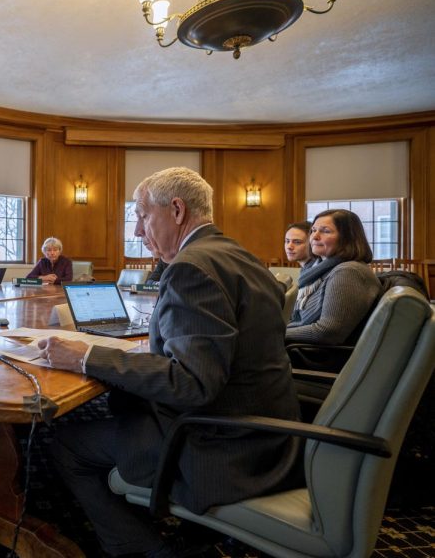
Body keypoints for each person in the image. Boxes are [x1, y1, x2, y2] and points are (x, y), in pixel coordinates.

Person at [38, 167, 301, 558]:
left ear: (176, 210)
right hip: (266, 431)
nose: (137, 232)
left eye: (143, 216)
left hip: (220, 446)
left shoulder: (191, 268)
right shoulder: (238, 254)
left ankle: (143, 548)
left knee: (62, 444)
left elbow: (192, 384)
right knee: (119, 403)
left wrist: (87, 356)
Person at [286, 209, 381, 347]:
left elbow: (328, 332)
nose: (314, 237)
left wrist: (274, 334)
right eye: (313, 230)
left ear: (347, 238)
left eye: (325, 231)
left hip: (316, 356)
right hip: (302, 348)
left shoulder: (348, 272)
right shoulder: (323, 270)